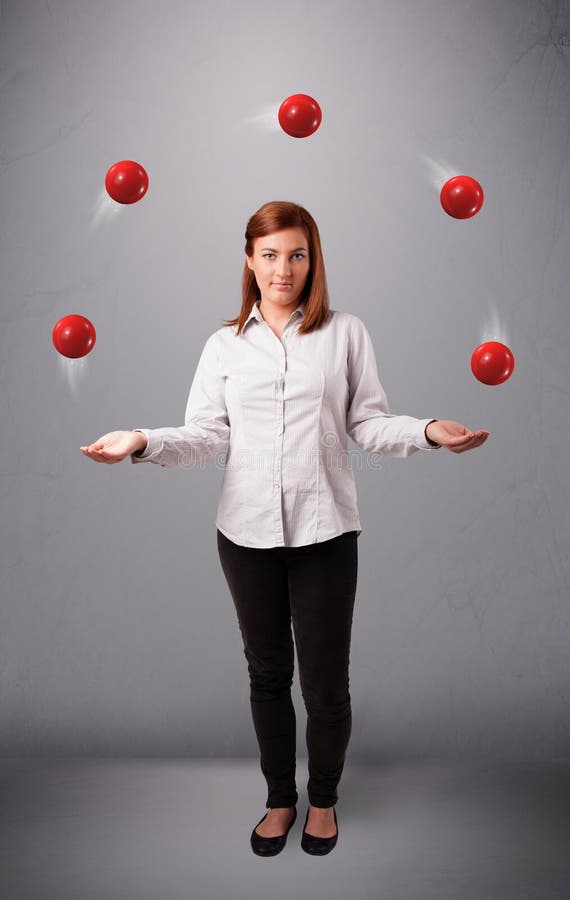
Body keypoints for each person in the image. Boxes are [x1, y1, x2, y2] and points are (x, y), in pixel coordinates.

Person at [80, 200, 489, 857]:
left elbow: (367, 423)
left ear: (312, 260)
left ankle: (322, 801)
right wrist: (141, 440)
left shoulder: (345, 333)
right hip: (245, 539)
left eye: (296, 255)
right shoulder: (223, 345)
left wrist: (428, 431)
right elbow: (205, 435)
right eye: (269, 255)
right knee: (267, 676)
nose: (283, 269)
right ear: (249, 259)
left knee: (325, 686)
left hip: (326, 533)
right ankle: (279, 799)